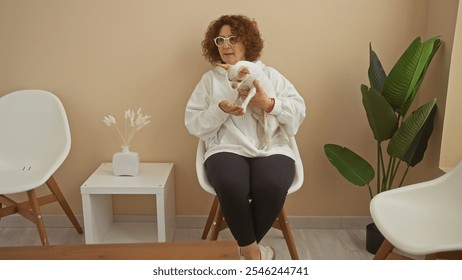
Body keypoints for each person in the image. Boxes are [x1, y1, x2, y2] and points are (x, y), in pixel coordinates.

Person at [185, 14, 306, 260]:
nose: (226, 45)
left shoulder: (270, 75)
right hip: (226, 148)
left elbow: (299, 110)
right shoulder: (209, 81)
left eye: (233, 38)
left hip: (272, 148)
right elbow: (193, 123)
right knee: (230, 184)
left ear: (247, 41)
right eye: (220, 39)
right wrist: (220, 110)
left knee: (271, 185)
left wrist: (270, 104)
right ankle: (254, 253)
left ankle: (245, 251)